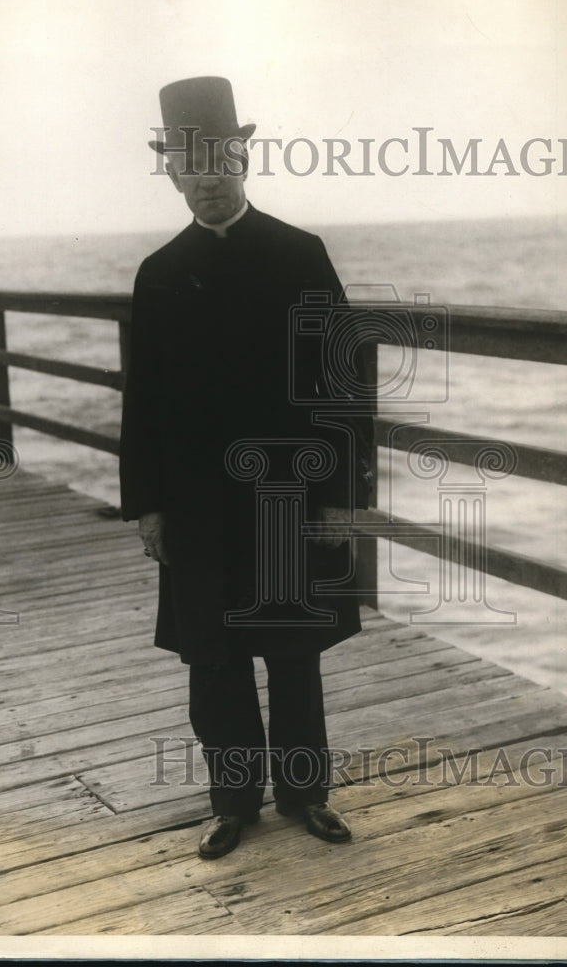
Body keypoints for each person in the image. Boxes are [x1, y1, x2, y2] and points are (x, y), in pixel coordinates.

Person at [120, 77, 373, 859]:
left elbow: (345, 385)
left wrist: (341, 498)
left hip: (288, 495)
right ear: (170, 171)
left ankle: (306, 794)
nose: (206, 179)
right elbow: (144, 402)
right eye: (189, 165)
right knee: (212, 654)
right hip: (197, 506)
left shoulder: (299, 255)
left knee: (293, 651)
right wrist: (149, 508)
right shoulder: (159, 274)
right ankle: (233, 801)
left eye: (219, 160)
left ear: (242, 156)